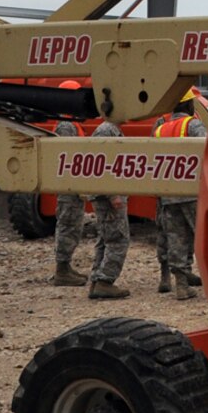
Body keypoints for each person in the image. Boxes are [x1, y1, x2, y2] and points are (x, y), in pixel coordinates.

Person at [48, 83, 130, 299]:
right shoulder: (69, 126)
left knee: (102, 235)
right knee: (76, 227)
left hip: (77, 186)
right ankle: (73, 272)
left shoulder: (78, 126)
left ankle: (95, 278)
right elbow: (100, 164)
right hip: (71, 188)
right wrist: (111, 193)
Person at [151, 88, 208, 300]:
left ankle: (181, 285)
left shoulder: (159, 129)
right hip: (191, 192)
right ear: (188, 105)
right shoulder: (193, 125)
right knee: (203, 237)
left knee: (175, 237)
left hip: (168, 192)